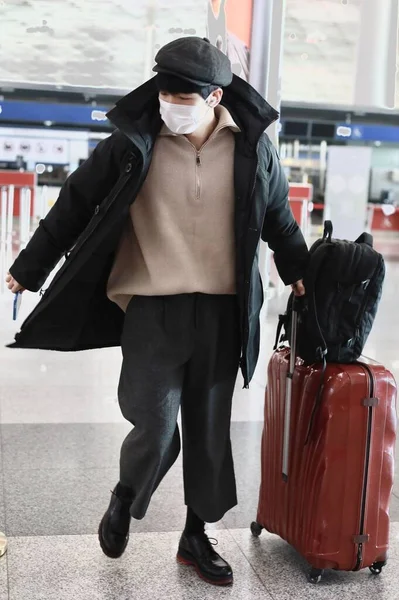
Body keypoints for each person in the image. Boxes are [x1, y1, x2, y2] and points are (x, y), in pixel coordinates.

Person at [6, 37, 308, 586]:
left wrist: (300, 270)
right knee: (154, 420)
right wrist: (29, 267)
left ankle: (196, 534)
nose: (170, 103)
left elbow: (278, 219)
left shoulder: (254, 148)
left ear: (215, 96)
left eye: (182, 95)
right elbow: (74, 201)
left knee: (209, 429)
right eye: (164, 91)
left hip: (223, 308)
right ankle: (127, 494)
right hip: (152, 303)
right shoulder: (134, 141)